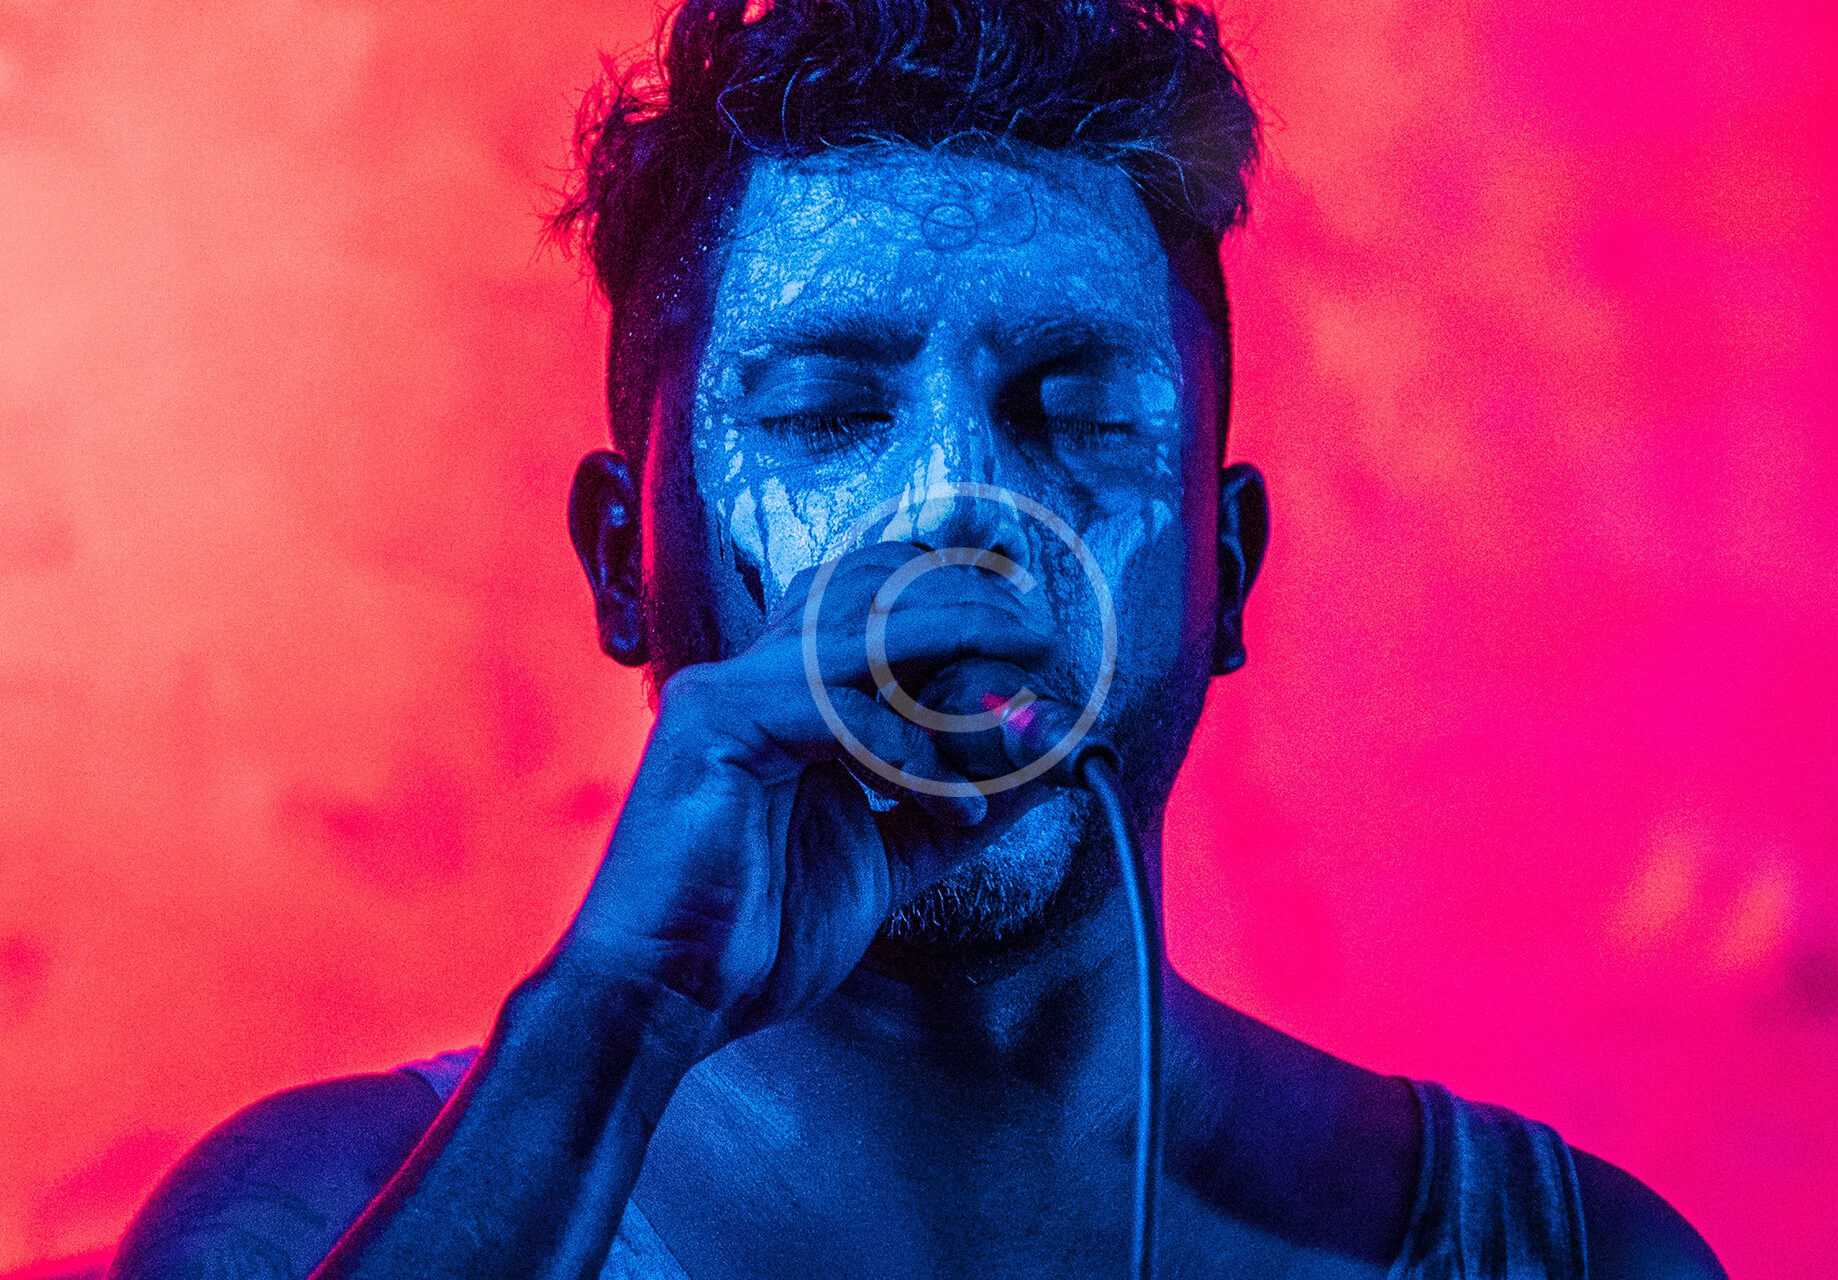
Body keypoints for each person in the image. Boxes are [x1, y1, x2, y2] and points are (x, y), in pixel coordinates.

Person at [106, 1, 1727, 1276]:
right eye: (825, 412)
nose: (960, 506)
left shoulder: (1573, 1256)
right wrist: (618, 1015)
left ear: (1226, 574)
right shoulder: (303, 1221)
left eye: (1077, 411)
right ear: (621, 564)